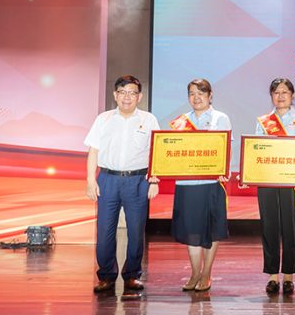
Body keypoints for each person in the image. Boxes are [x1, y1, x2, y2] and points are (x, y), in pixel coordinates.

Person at [85, 75, 160, 293]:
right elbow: (93, 151)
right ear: (115, 95)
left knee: (136, 231)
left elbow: (157, 152)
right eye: (123, 92)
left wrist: (155, 180)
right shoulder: (103, 119)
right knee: (105, 231)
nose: (127, 97)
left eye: (132, 93)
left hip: (138, 180)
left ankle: (132, 275)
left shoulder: (149, 120)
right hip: (108, 179)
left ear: (140, 96)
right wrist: (90, 180)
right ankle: (106, 275)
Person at [167, 79, 231, 292]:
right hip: (186, 183)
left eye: (201, 93)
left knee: (211, 230)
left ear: (210, 96)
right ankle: (195, 272)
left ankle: (206, 273)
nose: (196, 97)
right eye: (192, 93)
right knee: (191, 230)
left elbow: (224, 148)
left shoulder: (220, 118)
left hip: (211, 182)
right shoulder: (181, 122)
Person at [253, 78, 295, 295]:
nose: (280, 96)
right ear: (271, 96)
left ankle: (288, 275)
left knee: (290, 228)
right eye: (276, 92)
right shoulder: (263, 121)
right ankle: (272, 275)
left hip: (292, 181)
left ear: (292, 95)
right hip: (268, 179)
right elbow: (257, 149)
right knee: (269, 227)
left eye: (285, 92)